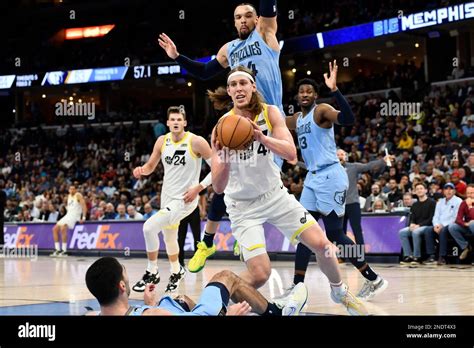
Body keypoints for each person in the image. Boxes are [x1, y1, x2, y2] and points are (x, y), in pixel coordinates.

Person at [210, 66, 367, 315]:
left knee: (324, 245)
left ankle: (340, 292)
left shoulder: (270, 113)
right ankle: (215, 303)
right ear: (229, 91)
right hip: (242, 206)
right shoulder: (222, 127)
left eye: (244, 83)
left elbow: (292, 155)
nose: (239, 88)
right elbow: (218, 186)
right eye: (234, 85)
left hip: (275, 195)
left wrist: (262, 138)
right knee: (261, 274)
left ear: (253, 87)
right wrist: (225, 157)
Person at [159, 1, 284, 273]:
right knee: (223, 182)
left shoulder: (266, 34)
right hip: (240, 122)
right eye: (238, 17)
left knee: (263, 183)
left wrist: (263, 13)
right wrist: (177, 56)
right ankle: (207, 242)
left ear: (257, 19)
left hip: (269, 120)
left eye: (248, 16)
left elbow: (268, 9)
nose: (243, 20)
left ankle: (246, 233)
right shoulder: (229, 49)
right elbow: (204, 72)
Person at [285, 73, 388, 301]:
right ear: (297, 95)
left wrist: (335, 91)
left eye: (309, 91)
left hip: (331, 175)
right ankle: (296, 286)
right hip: (312, 178)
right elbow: (274, 121)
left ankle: (373, 278)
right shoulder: (296, 119)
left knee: (335, 233)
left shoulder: (321, 110)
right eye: (301, 91)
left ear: (315, 95)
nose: (304, 94)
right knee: (304, 231)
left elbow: (348, 119)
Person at [132, 106, 212, 294]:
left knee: (149, 227)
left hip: (185, 199)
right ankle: (176, 271)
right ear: (167, 123)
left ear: (185, 123)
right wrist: (141, 170)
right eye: (172, 119)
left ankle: (152, 270)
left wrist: (199, 188)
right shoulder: (162, 141)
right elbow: (151, 165)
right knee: (169, 238)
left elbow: (217, 167)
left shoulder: (196, 141)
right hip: (167, 196)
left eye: (179, 119)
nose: (176, 122)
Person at [85, 257, 308, 316]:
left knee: (179, 298)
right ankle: (277, 312)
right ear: (122, 286)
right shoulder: (155, 314)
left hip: (165, 307)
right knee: (225, 276)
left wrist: (149, 304)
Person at [398, 183, 436, 265]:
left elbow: (431, 218)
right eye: (417, 189)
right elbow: (413, 218)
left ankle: (417, 256)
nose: (419, 190)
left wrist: (418, 225)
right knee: (402, 232)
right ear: (415, 192)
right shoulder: (415, 205)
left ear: (425, 190)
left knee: (416, 232)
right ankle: (408, 255)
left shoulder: (432, 203)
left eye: (421, 188)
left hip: (427, 226)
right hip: (416, 226)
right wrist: (412, 224)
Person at [427, 183, 462, 265]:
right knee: (428, 230)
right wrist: (436, 225)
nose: (448, 191)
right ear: (443, 191)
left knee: (443, 231)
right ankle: (431, 256)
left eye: (451, 189)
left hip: (451, 225)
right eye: (446, 189)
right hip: (439, 225)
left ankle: (442, 256)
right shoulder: (440, 202)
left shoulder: (458, 201)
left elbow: (455, 217)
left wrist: (442, 225)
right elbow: (435, 216)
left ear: (454, 191)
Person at [50, 185, 86, 257]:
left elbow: (84, 206)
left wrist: (84, 217)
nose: (72, 190)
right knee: (54, 229)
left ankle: (64, 250)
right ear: (69, 190)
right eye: (70, 189)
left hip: (75, 216)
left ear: (75, 190)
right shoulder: (68, 196)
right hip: (68, 215)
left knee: (63, 228)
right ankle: (57, 250)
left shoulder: (78, 195)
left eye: (73, 189)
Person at [448, 184, 474, 261]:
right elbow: (458, 219)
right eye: (468, 193)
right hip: (468, 227)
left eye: (472, 193)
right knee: (452, 227)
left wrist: (470, 207)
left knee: (473, 223)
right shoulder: (463, 203)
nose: (470, 195)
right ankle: (466, 247)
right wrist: (465, 224)